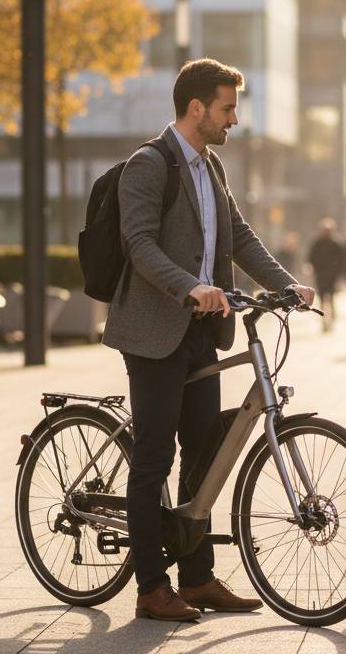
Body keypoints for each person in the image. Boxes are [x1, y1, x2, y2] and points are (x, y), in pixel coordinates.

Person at [101, 58, 315, 622]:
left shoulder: (211, 165)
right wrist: (191, 287)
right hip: (154, 330)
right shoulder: (150, 165)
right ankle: (151, 588)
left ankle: (195, 579)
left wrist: (286, 283)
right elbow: (139, 244)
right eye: (227, 108)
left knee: (202, 459)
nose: (234, 119)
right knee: (154, 459)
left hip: (200, 331)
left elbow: (238, 235)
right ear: (196, 109)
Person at [307, 220, 343, 331]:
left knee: (331, 298)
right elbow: (311, 259)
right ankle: (324, 321)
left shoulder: (336, 243)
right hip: (321, 275)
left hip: (332, 276)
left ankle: (331, 320)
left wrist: (338, 273)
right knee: (322, 299)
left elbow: (341, 260)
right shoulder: (317, 243)